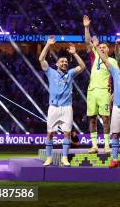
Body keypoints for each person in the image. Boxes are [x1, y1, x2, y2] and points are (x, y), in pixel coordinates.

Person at [39, 36, 86, 167]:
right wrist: (48, 45)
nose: (64, 63)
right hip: (53, 107)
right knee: (50, 133)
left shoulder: (70, 73)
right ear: (57, 64)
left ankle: (65, 158)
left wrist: (75, 53)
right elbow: (41, 59)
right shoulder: (51, 72)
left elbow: (82, 66)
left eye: (66, 62)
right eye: (62, 62)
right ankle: (49, 158)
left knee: (67, 133)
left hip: (66, 107)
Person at [83, 15, 116, 154]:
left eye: (104, 47)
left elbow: (118, 79)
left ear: (108, 50)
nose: (102, 48)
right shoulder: (94, 57)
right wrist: (86, 27)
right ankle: (95, 145)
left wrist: (113, 93)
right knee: (92, 119)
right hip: (92, 91)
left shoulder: (113, 62)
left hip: (104, 92)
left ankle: (107, 145)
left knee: (106, 118)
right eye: (100, 47)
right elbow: (87, 42)